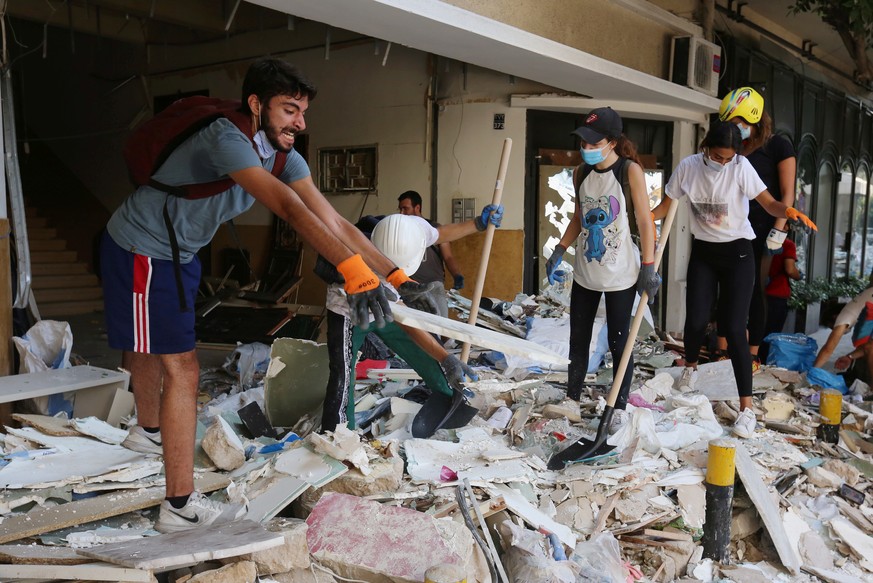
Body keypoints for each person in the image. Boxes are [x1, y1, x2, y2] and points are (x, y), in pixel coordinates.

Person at [102, 58, 437, 533]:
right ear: (256, 105)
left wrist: (398, 278)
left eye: (303, 112)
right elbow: (285, 206)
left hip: (182, 253)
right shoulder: (227, 138)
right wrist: (351, 272)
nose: (299, 123)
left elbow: (333, 221)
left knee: (150, 341)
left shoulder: (284, 155)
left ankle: (147, 431)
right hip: (141, 247)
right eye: (288, 110)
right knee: (180, 364)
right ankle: (177, 505)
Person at [652, 121, 815, 438]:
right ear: (706, 148)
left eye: (729, 158)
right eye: (717, 157)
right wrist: (641, 212)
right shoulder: (688, 168)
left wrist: (789, 211)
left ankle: (746, 410)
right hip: (704, 254)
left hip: (739, 254)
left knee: (735, 328)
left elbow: (768, 202)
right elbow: (665, 207)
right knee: (697, 321)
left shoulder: (741, 168)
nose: (723, 163)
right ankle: (690, 373)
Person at [322, 212, 502, 434]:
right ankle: (339, 435)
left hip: (389, 303)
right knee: (343, 375)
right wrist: (443, 355)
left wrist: (477, 224)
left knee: (428, 355)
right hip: (349, 309)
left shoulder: (414, 231)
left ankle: (451, 400)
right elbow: (405, 320)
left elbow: (441, 233)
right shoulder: (358, 255)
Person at [543, 107, 659, 431]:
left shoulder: (629, 171)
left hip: (621, 274)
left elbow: (645, 221)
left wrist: (647, 267)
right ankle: (573, 400)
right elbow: (578, 218)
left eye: (595, 143)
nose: (588, 148)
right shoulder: (581, 173)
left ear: (612, 141)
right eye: (585, 142)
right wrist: (560, 249)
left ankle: (619, 406)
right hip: (585, 273)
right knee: (577, 339)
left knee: (620, 342)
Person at [715, 87, 797, 369]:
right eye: (731, 123)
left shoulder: (778, 146)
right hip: (729, 228)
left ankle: (752, 354)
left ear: (755, 119)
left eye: (740, 122)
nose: (737, 128)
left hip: (764, 230)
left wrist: (779, 229)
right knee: (726, 289)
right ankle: (722, 350)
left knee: (754, 291)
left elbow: (787, 193)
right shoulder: (733, 147)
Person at [397, 190, 465, 318]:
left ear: (417, 208)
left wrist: (457, 275)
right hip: (410, 287)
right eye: (400, 209)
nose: (402, 213)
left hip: (434, 285)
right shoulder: (400, 231)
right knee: (416, 328)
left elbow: (448, 256)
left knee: (441, 324)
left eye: (405, 209)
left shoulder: (434, 229)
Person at [812, 274, 873, 384]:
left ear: (835, 318)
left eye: (833, 328)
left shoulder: (844, 316)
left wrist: (812, 372)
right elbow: (867, 347)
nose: (836, 331)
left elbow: (828, 349)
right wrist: (850, 357)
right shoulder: (861, 312)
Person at [763, 236, 801, 340]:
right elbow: (790, 269)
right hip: (777, 293)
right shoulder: (787, 244)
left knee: (755, 328)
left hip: (755, 291)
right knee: (771, 333)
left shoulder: (757, 239)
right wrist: (799, 275)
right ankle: (763, 356)